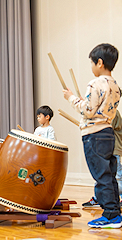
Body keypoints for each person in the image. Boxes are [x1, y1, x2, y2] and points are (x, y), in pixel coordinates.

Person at [63, 43, 121, 228]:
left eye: (92, 63)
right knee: (109, 175)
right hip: (108, 133)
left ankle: (111, 216)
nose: (91, 66)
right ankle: (114, 213)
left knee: (102, 176)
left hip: (94, 135)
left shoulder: (95, 83)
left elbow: (88, 111)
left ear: (100, 63)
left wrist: (71, 98)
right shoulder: (116, 86)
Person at [82, 110, 122, 208]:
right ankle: (99, 198)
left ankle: (115, 200)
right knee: (101, 174)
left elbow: (104, 127)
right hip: (106, 148)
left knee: (116, 176)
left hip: (113, 148)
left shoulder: (111, 112)